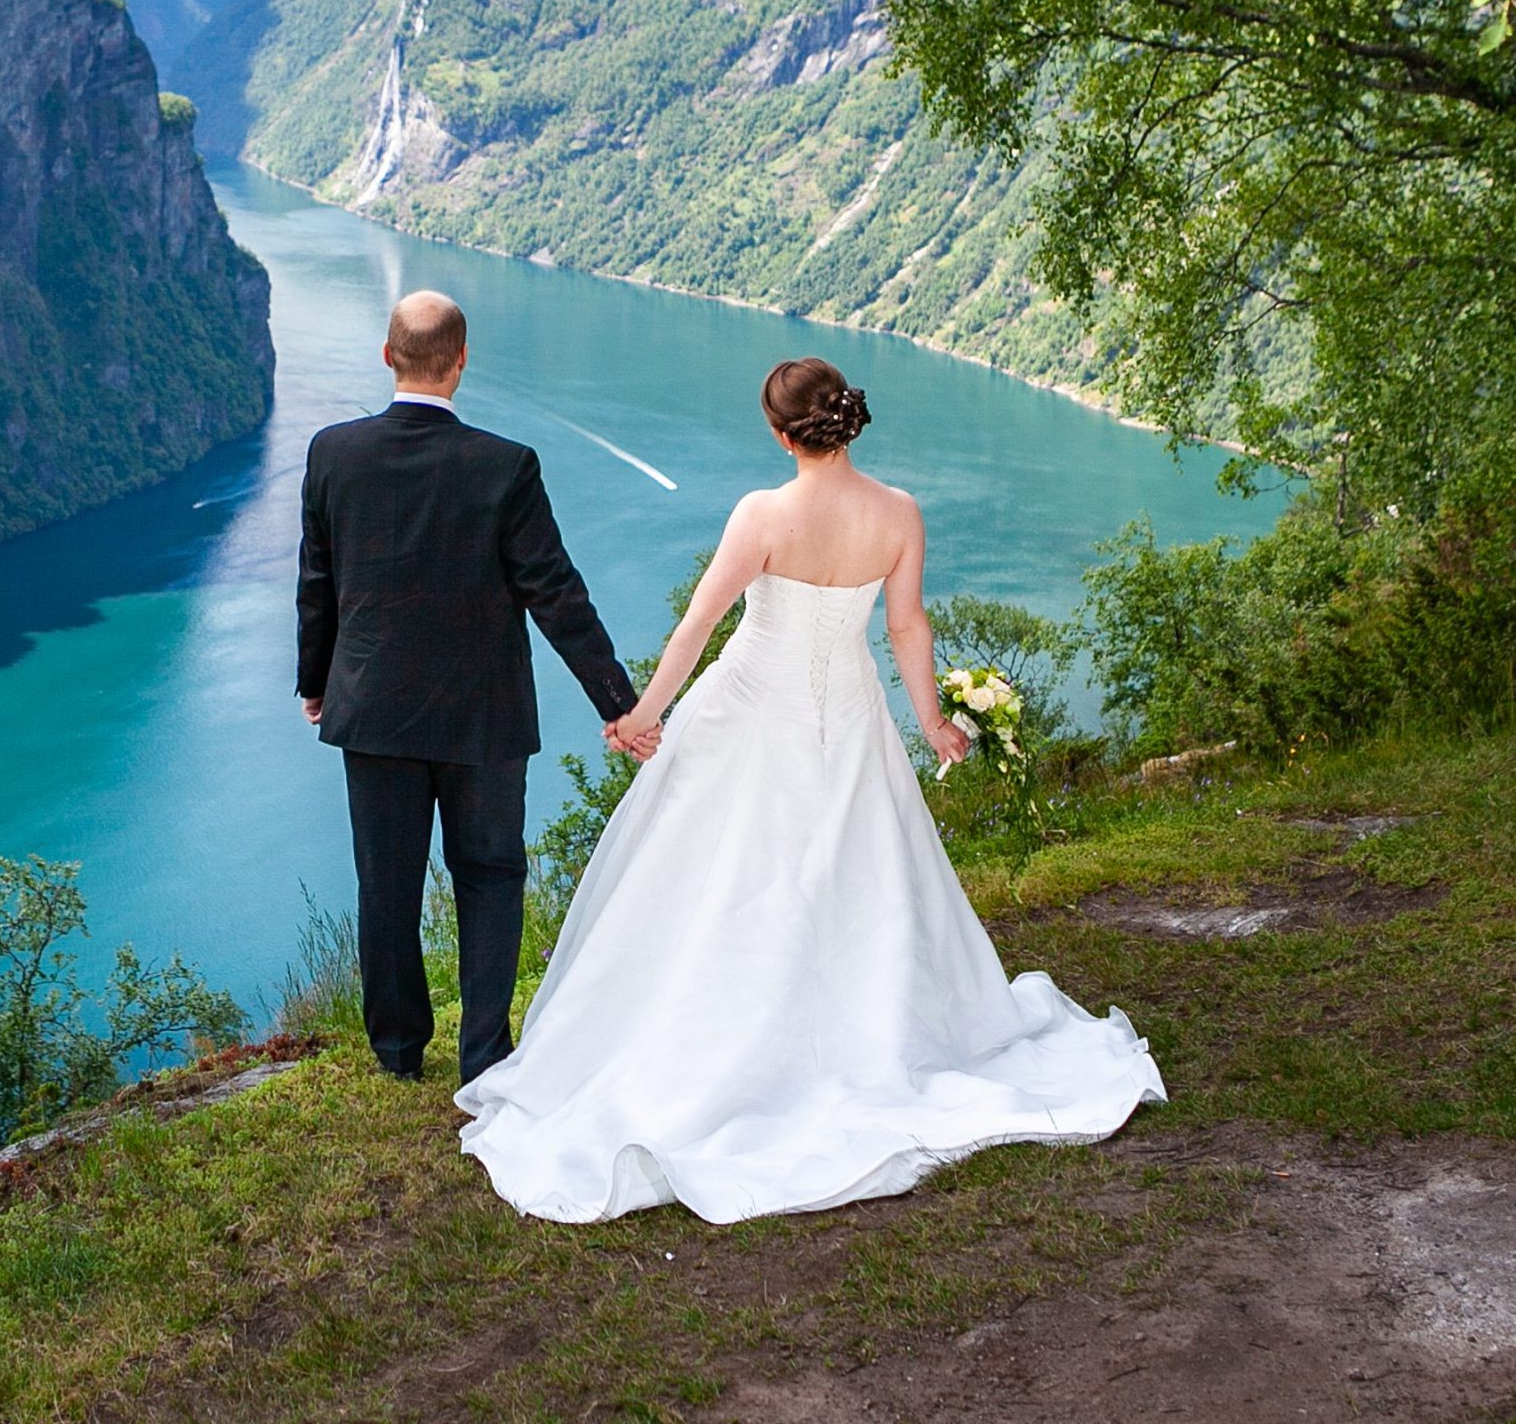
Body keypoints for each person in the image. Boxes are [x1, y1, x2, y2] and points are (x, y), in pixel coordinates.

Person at [457, 354, 1165, 1222]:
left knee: (720, 878)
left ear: (780, 433)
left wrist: (642, 714)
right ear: (842, 420)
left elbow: (700, 622)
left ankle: (729, 1037)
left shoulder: (762, 514)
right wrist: (931, 722)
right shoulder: (898, 513)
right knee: (853, 875)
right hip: (851, 717)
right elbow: (905, 625)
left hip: (750, 709)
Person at [296, 290, 647, 1084]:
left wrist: (316, 682)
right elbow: (556, 594)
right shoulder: (505, 465)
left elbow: (317, 581)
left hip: (373, 708)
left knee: (386, 885)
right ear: (460, 362)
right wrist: (619, 705)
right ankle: (483, 1055)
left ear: (387, 356)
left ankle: (397, 1053)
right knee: (489, 876)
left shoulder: (332, 452)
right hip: (482, 716)